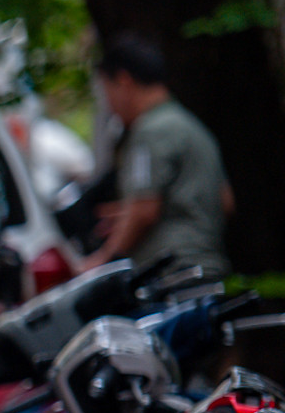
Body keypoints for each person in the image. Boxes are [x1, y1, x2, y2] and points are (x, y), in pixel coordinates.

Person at [83, 34, 232, 278]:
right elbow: (225, 201)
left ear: (124, 81)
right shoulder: (191, 126)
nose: (109, 106)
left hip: (172, 272)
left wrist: (101, 261)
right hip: (209, 266)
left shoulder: (149, 132)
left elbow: (144, 210)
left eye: (107, 92)